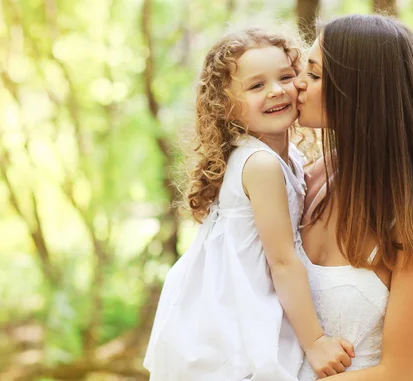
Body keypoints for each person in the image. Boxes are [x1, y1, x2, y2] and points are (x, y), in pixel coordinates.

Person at [143, 27, 354, 381]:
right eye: (256, 86)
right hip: (231, 318)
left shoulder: (290, 159)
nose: (276, 91)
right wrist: (316, 341)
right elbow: (282, 260)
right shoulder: (260, 164)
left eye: (286, 77)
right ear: (227, 107)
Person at [293, 14, 413, 380]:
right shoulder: (314, 176)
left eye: (314, 75)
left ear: (359, 90)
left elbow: (399, 371)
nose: (298, 83)